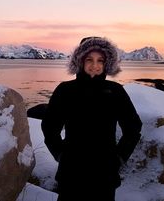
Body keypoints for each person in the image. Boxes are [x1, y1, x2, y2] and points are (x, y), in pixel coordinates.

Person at [41, 36, 143, 201]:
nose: (94, 65)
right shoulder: (65, 90)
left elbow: (133, 127)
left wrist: (119, 157)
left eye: (100, 60)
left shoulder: (115, 91)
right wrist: (60, 155)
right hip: (71, 174)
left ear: (106, 63)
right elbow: (50, 128)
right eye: (89, 59)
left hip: (104, 174)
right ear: (79, 61)